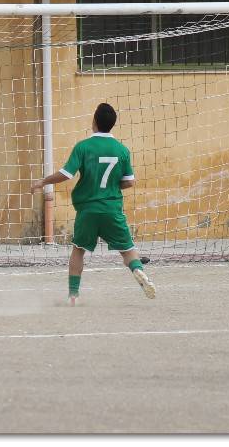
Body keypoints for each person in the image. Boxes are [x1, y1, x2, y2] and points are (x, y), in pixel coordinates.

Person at [30, 103, 155, 306]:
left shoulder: (83, 147)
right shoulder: (122, 150)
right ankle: (137, 269)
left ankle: (73, 295)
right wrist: (111, 187)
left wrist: (43, 181)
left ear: (94, 122)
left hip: (87, 209)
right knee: (128, 250)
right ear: (112, 125)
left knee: (79, 249)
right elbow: (130, 181)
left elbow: (66, 174)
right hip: (111, 209)